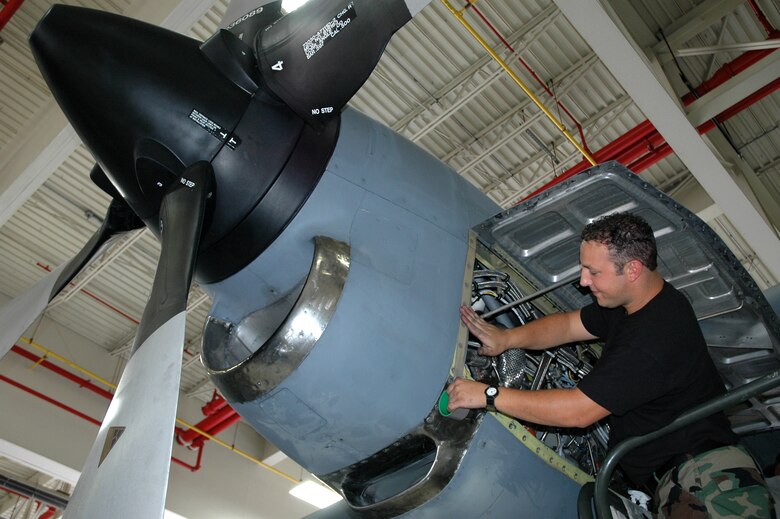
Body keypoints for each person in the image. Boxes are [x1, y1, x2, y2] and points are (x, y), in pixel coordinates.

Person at [446, 212, 774, 518]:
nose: (584, 282)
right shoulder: (633, 301)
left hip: (710, 483)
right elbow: (568, 325)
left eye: (593, 272)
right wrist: (508, 339)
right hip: (674, 480)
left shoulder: (654, 340)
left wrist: (487, 394)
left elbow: (578, 412)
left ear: (632, 269)